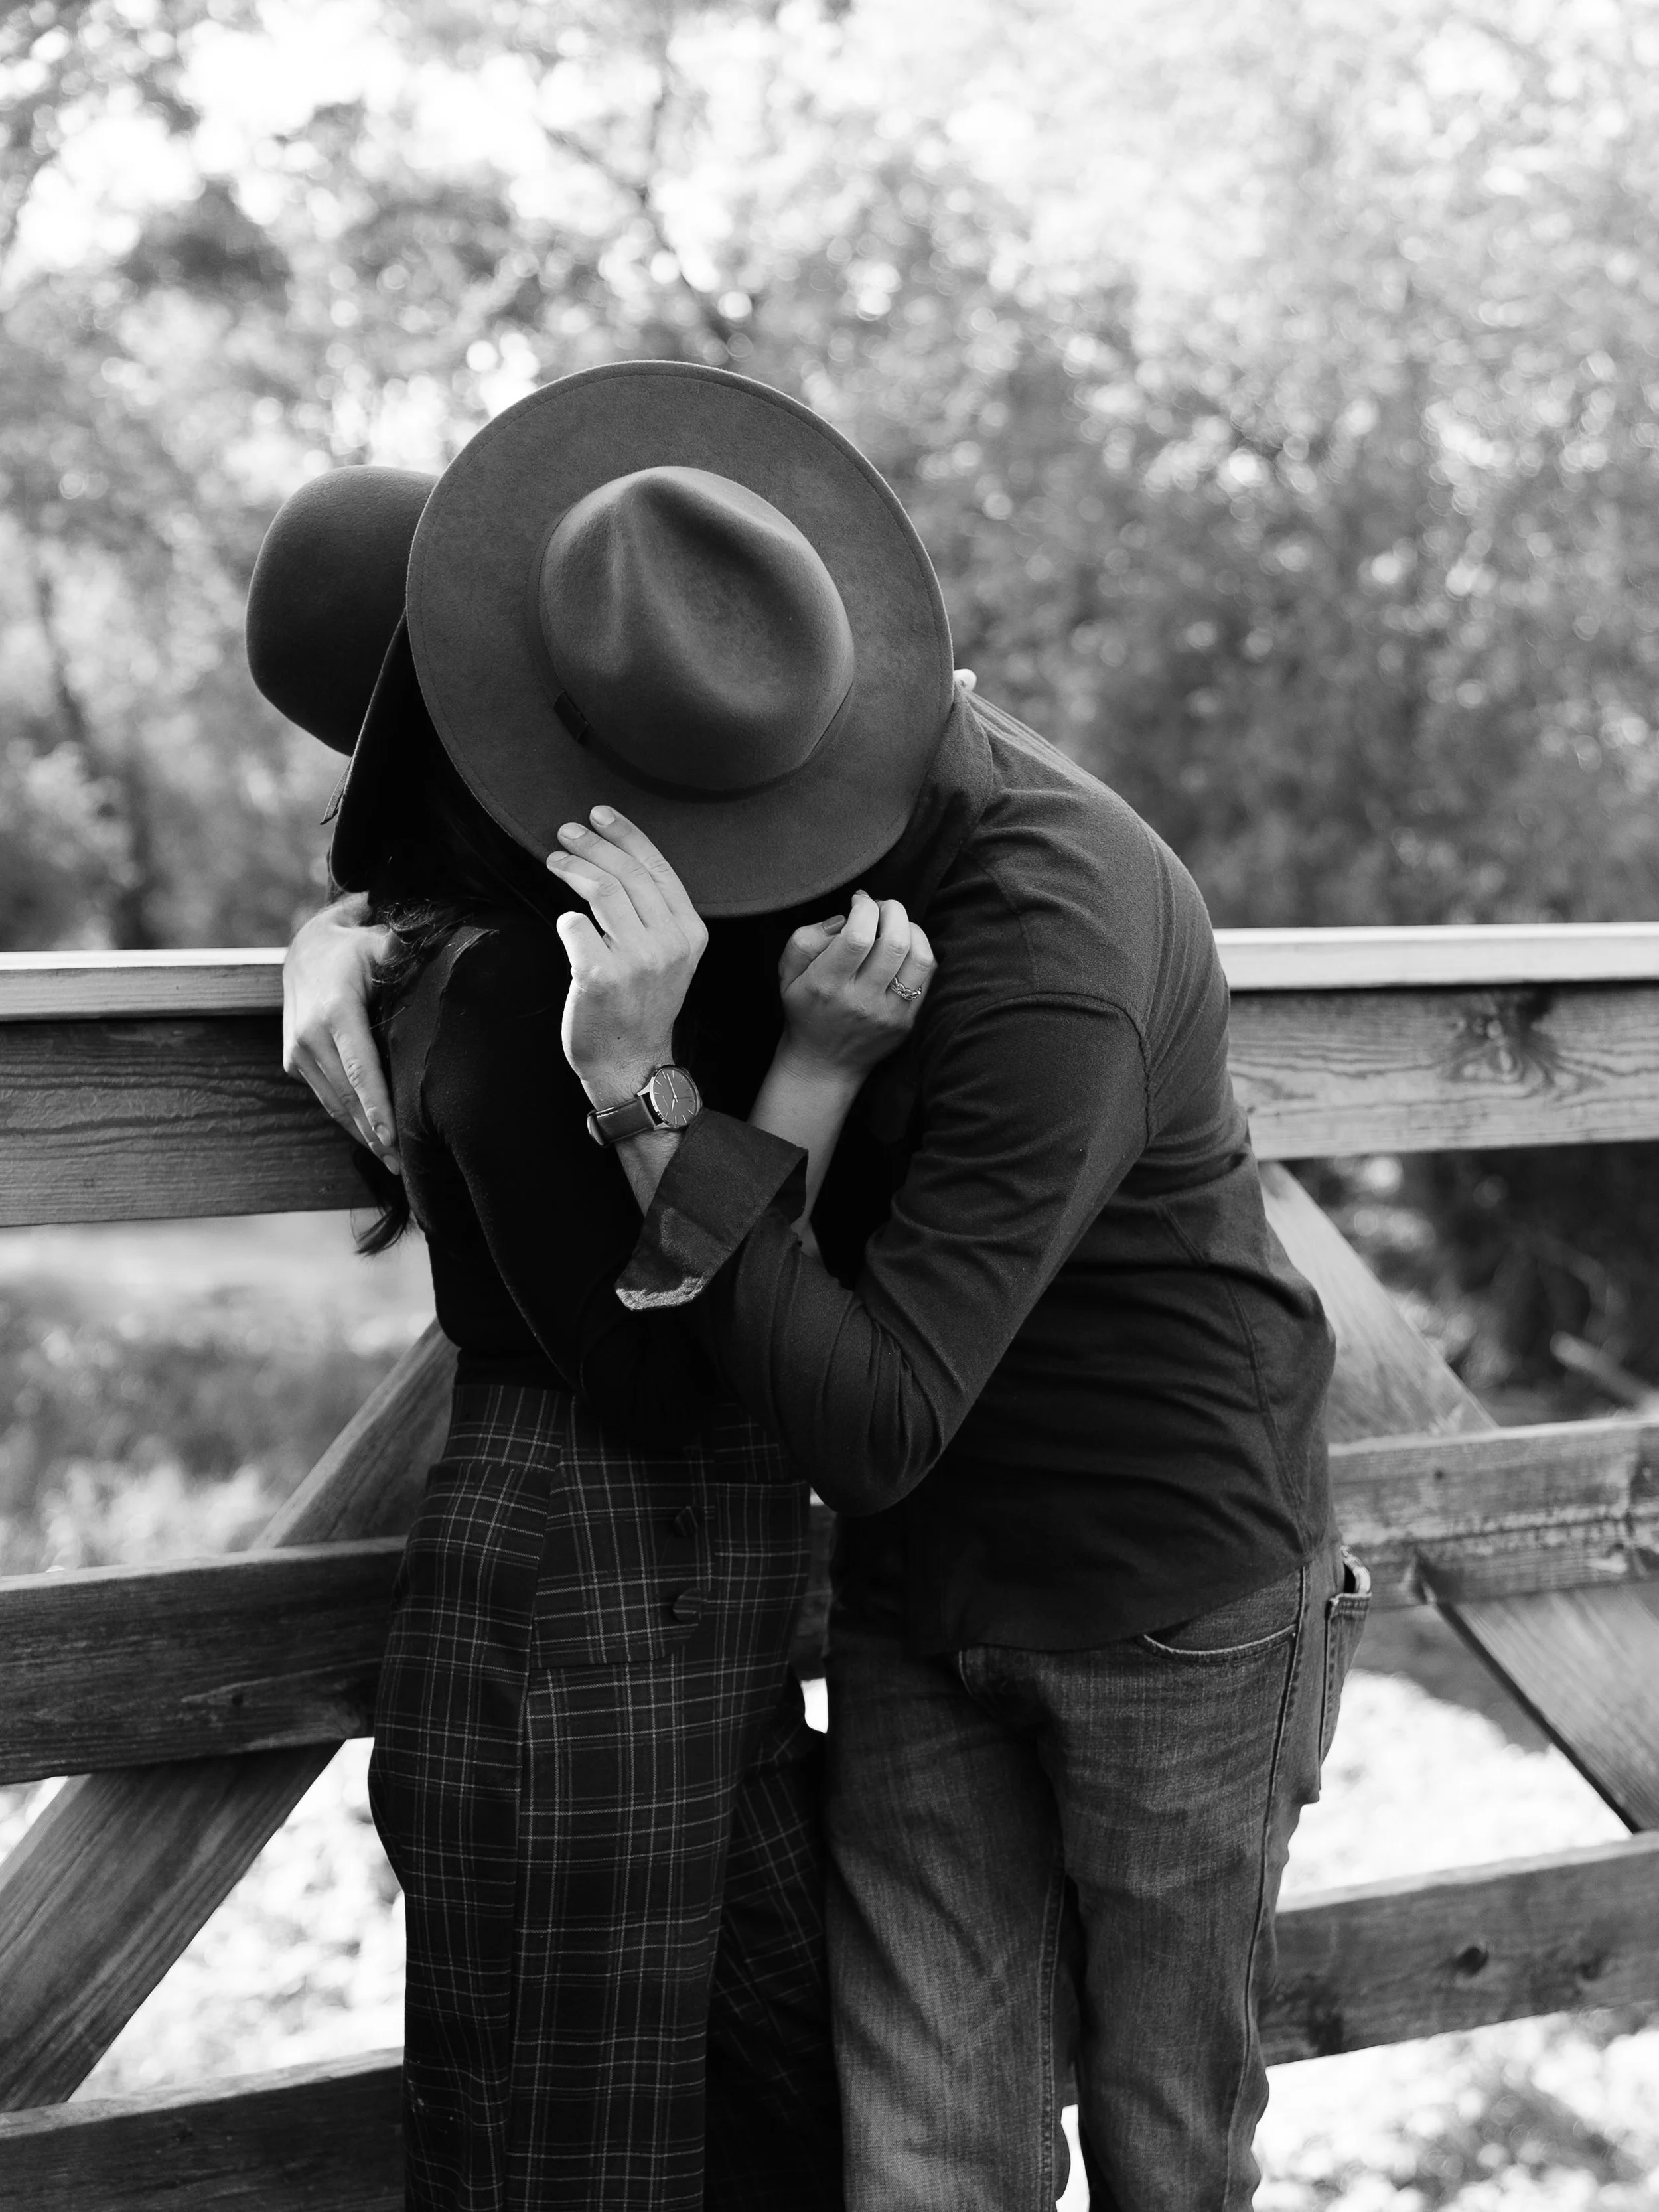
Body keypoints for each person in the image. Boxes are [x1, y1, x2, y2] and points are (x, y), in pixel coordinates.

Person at [279, 360, 1369, 2212]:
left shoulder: (1047, 937)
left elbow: (852, 1410)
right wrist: (347, 928)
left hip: (1158, 1588)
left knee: (1168, 2141)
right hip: (908, 1581)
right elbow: (504, 964)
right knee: (920, 2158)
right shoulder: (756, 828)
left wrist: (647, 1086)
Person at [246, 406, 941, 2212]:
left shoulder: (599, 920)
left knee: (783, 2095)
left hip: (696, 1582)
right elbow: (641, 1362)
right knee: (581, 2149)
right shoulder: (497, 994)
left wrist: (333, 924)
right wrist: (800, 1069)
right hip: (583, 1571)